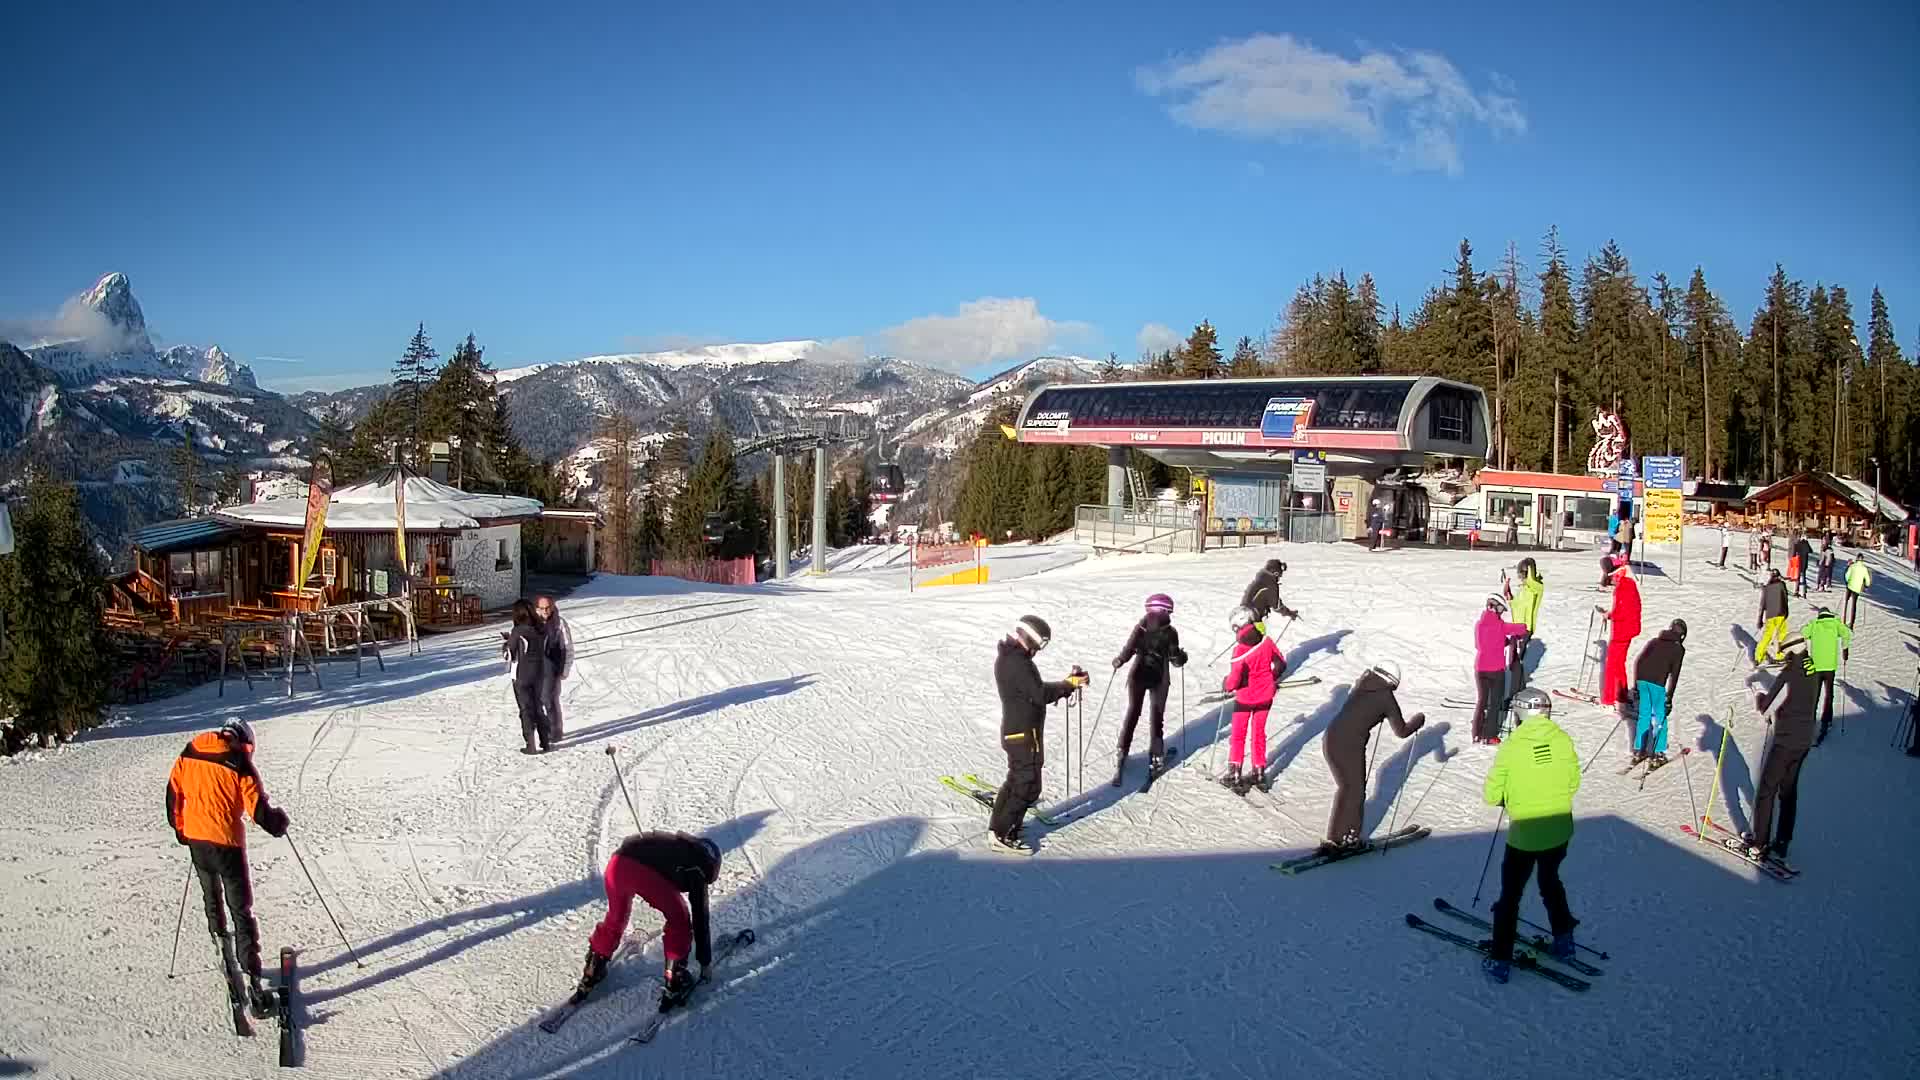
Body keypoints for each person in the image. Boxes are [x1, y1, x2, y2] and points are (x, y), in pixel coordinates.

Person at [166, 719, 290, 1017]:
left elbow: (173, 795)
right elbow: (258, 809)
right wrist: (278, 822)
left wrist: (182, 830)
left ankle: (222, 952)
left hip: (198, 841)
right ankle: (253, 981)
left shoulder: (190, 751)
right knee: (241, 910)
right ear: (242, 739)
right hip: (227, 845)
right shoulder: (239, 762)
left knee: (212, 901)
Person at [1481, 687, 1581, 984]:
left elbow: (1491, 794)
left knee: (1510, 897)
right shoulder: (1562, 739)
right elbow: (1573, 781)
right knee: (1550, 883)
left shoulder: (1513, 746)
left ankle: (1500, 960)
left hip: (1525, 837)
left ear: (1521, 713)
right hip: (1559, 831)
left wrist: (1509, 798)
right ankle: (1565, 942)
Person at [575, 831, 721, 1010]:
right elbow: (700, 918)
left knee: (616, 917)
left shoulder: (679, 844)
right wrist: (705, 962)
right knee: (680, 920)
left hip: (617, 864)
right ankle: (675, 981)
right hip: (642, 872)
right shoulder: (699, 869)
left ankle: (592, 970)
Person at [988, 615, 1086, 854]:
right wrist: (1068, 685)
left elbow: (1033, 692)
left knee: (1019, 781)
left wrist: (1066, 684)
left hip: (1020, 732)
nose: (1040, 649)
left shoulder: (1012, 658)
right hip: (1023, 734)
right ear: (1030, 637)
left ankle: (1001, 827)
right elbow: (1039, 694)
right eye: (1041, 643)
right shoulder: (1016, 663)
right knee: (1026, 785)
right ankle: (1002, 834)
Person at [1320, 661, 1424, 853]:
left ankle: (1336, 837)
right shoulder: (1386, 697)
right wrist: (1418, 721)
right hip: (1350, 745)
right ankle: (1349, 838)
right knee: (1356, 792)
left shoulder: (1362, 685)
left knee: (1347, 788)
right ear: (1392, 682)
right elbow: (1401, 731)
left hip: (1331, 738)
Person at [1748, 647, 1819, 865]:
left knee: (1766, 791)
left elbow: (1768, 707)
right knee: (1788, 790)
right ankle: (1783, 841)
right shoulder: (1812, 669)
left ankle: (1760, 843)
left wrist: (1760, 697)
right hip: (1804, 740)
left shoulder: (1788, 674)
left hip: (1786, 741)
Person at [1110, 594, 1188, 786]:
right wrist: (1182, 657)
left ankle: (1122, 750)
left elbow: (1129, 650)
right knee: (1156, 717)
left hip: (1138, 675)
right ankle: (1156, 757)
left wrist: (1120, 660)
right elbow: (1174, 658)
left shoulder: (1140, 628)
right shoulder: (1171, 632)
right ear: (1166, 611)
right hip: (1159, 678)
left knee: (1133, 712)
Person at [1222, 605, 1286, 793]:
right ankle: (1259, 772)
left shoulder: (1240, 650)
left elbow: (1233, 681)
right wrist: (1270, 680)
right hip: (1266, 696)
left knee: (1239, 735)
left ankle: (1235, 773)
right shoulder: (1266, 641)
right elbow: (1281, 664)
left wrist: (1227, 684)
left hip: (1245, 699)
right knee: (1259, 733)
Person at [504, 599, 558, 754]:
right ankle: (545, 742)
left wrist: (506, 644)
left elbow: (509, 655)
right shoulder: (542, 629)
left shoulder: (518, 631)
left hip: (522, 674)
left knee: (526, 709)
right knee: (538, 707)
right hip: (539, 673)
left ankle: (530, 744)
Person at [1630, 620, 1687, 765]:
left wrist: (1637, 685)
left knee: (1644, 715)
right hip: (1656, 683)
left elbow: (1639, 661)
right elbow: (1675, 674)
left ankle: (1639, 750)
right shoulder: (1678, 649)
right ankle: (1658, 753)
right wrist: (1669, 697)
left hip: (1642, 681)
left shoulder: (1654, 641)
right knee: (1660, 718)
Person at [1473, 595, 1528, 745]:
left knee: (1482, 701)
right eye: (1501, 610)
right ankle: (1490, 735)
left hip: (1480, 668)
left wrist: (1499, 642)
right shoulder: (1501, 626)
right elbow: (1521, 628)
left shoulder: (1479, 625)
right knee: (1495, 703)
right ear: (1497, 609)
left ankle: (1476, 733)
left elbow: (1479, 646)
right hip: (1496, 670)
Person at [1798, 606, 1851, 745]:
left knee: (1815, 695)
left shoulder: (1815, 624)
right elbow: (1847, 634)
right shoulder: (1835, 623)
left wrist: (1805, 653)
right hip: (1830, 667)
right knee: (1829, 695)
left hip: (1816, 666)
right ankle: (1826, 721)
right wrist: (1845, 650)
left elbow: (1802, 633)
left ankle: (1810, 723)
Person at [1597, 557, 1642, 708]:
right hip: (1626, 630)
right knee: (1618, 664)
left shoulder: (1624, 587)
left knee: (1611, 665)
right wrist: (1611, 613)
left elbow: (1623, 612)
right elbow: (1625, 609)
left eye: (1612, 577)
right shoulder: (1627, 583)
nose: (1612, 581)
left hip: (1622, 632)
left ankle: (1609, 699)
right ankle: (1622, 695)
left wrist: (1609, 615)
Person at [534, 595, 574, 741]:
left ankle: (555, 730)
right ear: (537, 608)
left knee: (549, 698)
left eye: (548, 607)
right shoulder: (532, 623)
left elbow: (568, 647)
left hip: (553, 666)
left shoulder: (559, 623)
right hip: (535, 668)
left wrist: (565, 669)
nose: (545, 611)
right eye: (542, 608)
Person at [1509, 558, 1546, 693]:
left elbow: (1532, 582)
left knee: (1516, 661)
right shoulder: (1524, 588)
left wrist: (1529, 565)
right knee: (1514, 661)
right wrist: (1510, 598)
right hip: (1516, 628)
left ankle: (1515, 691)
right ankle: (1517, 688)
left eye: (1522, 575)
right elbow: (1519, 607)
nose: (1520, 578)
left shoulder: (1536, 586)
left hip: (1526, 628)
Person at [1239, 559, 1297, 631]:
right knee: (1259, 635)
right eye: (1279, 574)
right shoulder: (1270, 584)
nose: (1279, 578)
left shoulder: (1262, 579)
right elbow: (1277, 606)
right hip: (1253, 616)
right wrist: (1290, 613)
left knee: (1249, 636)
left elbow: (1267, 597)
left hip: (1243, 613)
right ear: (1275, 573)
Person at [1843, 554, 1872, 628]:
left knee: (1846, 602)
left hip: (1850, 586)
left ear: (1856, 559)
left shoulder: (1852, 566)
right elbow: (1867, 580)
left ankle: (1844, 620)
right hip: (1857, 588)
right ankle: (1851, 624)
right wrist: (1866, 585)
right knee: (1854, 605)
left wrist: (1847, 581)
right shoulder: (1864, 569)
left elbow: (1847, 576)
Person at [1790, 532, 1813, 599]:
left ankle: (1796, 591)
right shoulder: (1805, 544)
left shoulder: (1797, 544)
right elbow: (1811, 551)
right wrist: (1807, 542)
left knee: (1797, 578)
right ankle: (1804, 592)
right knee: (1804, 578)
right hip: (1804, 563)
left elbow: (1793, 554)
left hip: (1798, 563)